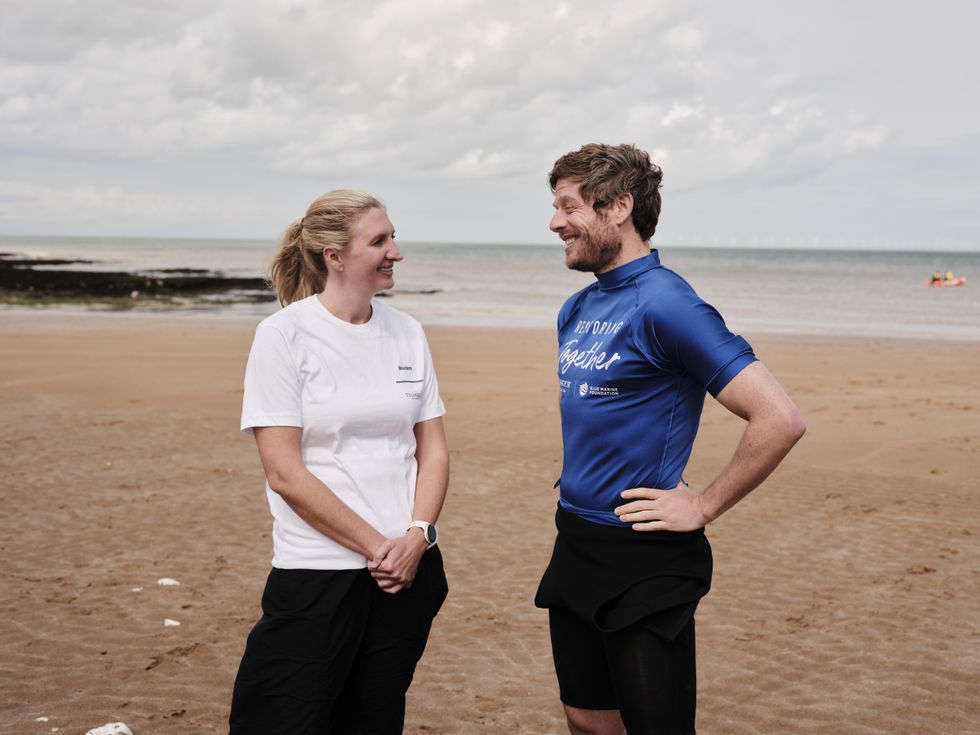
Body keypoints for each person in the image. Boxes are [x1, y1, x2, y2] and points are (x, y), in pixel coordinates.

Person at [535, 144, 806, 735]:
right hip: (576, 541)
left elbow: (779, 418)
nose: (554, 222)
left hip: (644, 556)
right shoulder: (576, 308)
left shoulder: (668, 303)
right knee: (586, 719)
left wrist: (703, 504)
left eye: (568, 206)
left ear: (620, 206)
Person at [229, 189, 449, 734]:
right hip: (318, 574)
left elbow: (433, 448)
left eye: (393, 236)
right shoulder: (284, 336)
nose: (395, 251)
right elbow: (284, 473)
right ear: (334, 256)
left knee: (372, 720)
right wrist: (380, 549)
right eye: (379, 240)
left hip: (407, 575)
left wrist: (418, 535)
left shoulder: (408, 332)